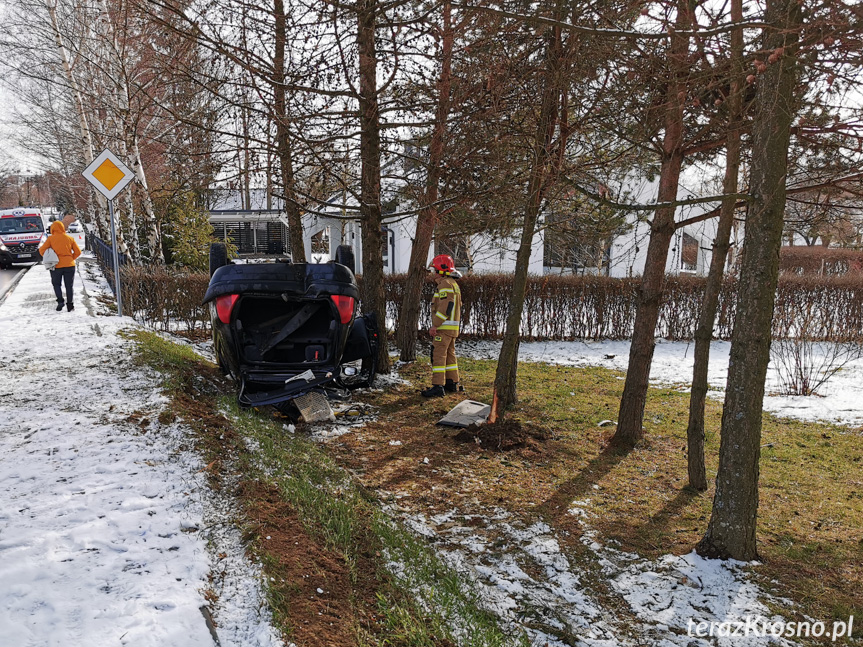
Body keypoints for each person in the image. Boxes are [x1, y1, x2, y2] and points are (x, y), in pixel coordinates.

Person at [421, 254, 463, 397]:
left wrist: (435, 326)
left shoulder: (445, 284)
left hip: (443, 328)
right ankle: (452, 382)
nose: (434, 274)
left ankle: (438, 386)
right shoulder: (453, 284)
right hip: (452, 329)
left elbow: (446, 307)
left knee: (438, 356)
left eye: (435, 270)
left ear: (442, 270)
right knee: (450, 356)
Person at [39, 221, 81, 312]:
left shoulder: (51, 239)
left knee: (56, 284)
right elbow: (78, 252)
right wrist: (70, 258)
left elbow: (41, 250)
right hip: (69, 265)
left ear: (52, 229)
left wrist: (49, 257)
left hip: (55, 265)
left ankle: (60, 301)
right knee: (69, 286)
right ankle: (70, 305)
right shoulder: (70, 238)